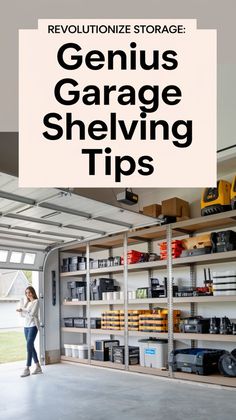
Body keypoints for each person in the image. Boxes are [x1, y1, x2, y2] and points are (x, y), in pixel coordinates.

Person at [16, 286, 42, 377]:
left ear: (33, 292)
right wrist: (21, 311)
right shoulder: (27, 303)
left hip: (33, 326)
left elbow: (32, 315)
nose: (28, 294)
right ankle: (38, 367)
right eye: (26, 293)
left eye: (30, 292)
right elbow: (23, 315)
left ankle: (27, 368)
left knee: (28, 345)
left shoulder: (36, 302)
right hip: (26, 327)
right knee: (31, 346)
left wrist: (23, 310)